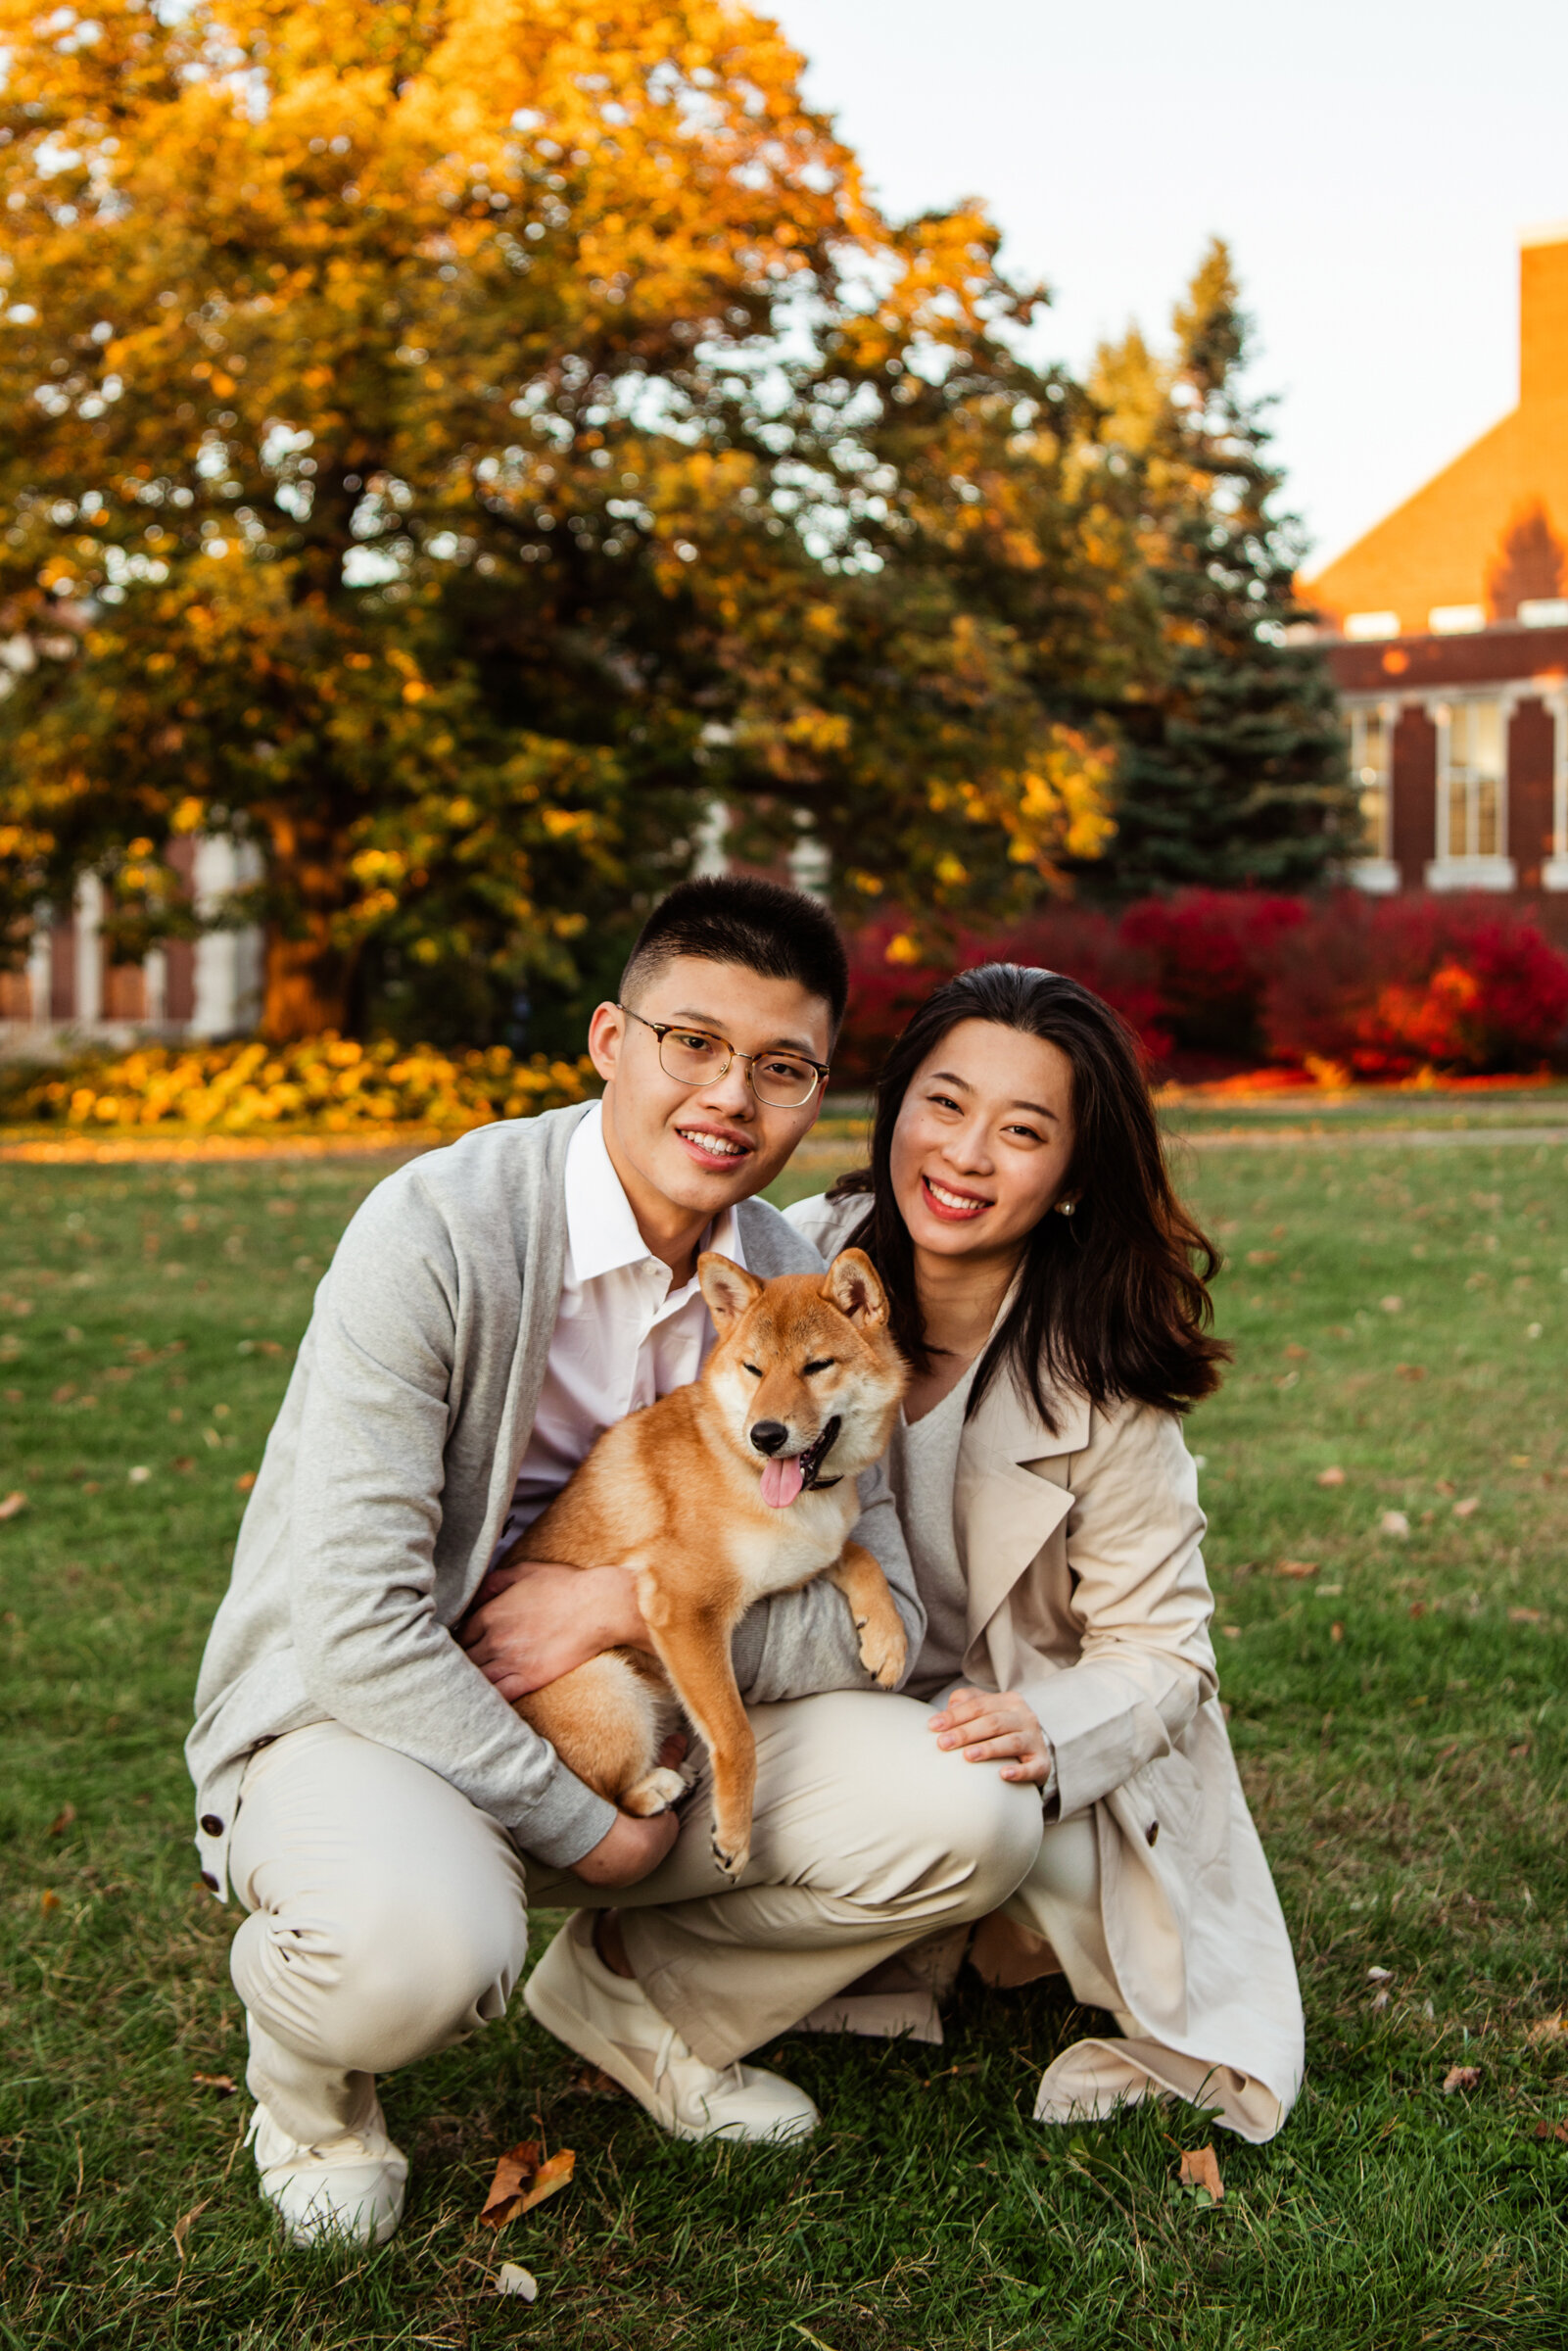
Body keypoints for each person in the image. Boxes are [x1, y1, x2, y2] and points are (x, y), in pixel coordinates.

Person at [186, 879, 1041, 2248]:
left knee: (972, 1813)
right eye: (689, 1043)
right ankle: (308, 2099)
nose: (727, 1097)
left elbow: (870, 1596)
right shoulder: (439, 1234)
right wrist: (587, 1823)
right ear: (607, 1040)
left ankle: (642, 2006)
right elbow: (354, 1619)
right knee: (410, 1956)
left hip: (634, 1707)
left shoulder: (786, 1281)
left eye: (780, 1068)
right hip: (376, 1715)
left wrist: (614, 1608)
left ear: (815, 1091)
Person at [785, 963, 1305, 2142]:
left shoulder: (1103, 1370)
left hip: (1011, 1740)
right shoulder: (793, 1261)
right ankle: (649, 2010)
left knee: (1033, 1851)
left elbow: (1165, 1655)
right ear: (892, 1109)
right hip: (814, 1702)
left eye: (1021, 1131)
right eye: (943, 1103)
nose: (966, 1155)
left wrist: (1049, 1729)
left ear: (1071, 1176)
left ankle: (978, 1926)